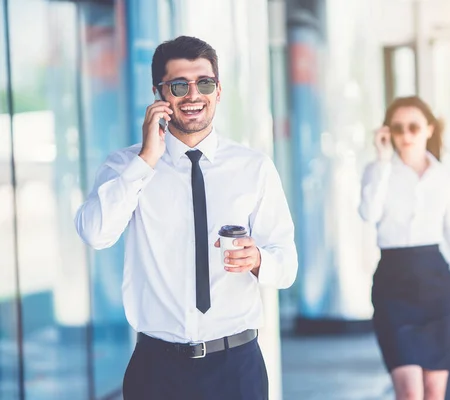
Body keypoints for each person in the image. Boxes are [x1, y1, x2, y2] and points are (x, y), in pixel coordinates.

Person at [74, 36, 298, 400]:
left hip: (236, 368)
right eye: (179, 85)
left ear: (219, 90)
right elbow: (95, 233)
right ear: (158, 93)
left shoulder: (254, 167)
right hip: (156, 370)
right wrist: (146, 160)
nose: (194, 95)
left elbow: (286, 265)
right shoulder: (125, 166)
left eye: (204, 83)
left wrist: (259, 260)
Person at [359, 96, 450, 400]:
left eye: (414, 127)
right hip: (394, 284)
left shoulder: (445, 176)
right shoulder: (378, 171)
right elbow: (368, 214)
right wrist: (381, 161)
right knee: (409, 394)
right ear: (387, 131)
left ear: (429, 129)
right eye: (398, 128)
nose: (405, 135)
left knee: (434, 393)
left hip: (437, 286)